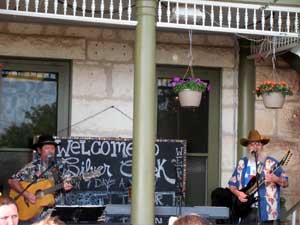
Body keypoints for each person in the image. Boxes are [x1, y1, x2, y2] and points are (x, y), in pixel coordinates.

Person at [228, 130, 288, 224]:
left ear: (262, 146)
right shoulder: (242, 163)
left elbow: (285, 183)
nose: (255, 147)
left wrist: (275, 179)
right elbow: (232, 185)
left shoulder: (272, 163)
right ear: (248, 147)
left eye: (258, 144)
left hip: (267, 212)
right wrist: (238, 194)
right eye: (252, 144)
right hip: (245, 209)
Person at [8, 135, 73, 222]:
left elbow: (68, 181)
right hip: (37, 212)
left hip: (58, 210)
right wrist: (26, 194)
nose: (50, 151)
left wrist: (68, 186)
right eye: (47, 148)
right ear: (39, 150)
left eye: (52, 148)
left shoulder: (61, 164)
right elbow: (12, 181)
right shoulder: (32, 166)